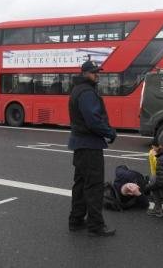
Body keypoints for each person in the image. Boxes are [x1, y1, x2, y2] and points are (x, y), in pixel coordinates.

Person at [68, 60, 117, 237]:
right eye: (94, 72)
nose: (98, 75)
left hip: (79, 145)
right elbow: (93, 120)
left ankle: (76, 220)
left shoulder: (77, 90)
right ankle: (96, 226)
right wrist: (110, 132)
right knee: (94, 186)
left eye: (98, 72)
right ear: (85, 73)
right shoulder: (87, 92)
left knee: (80, 184)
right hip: (90, 145)